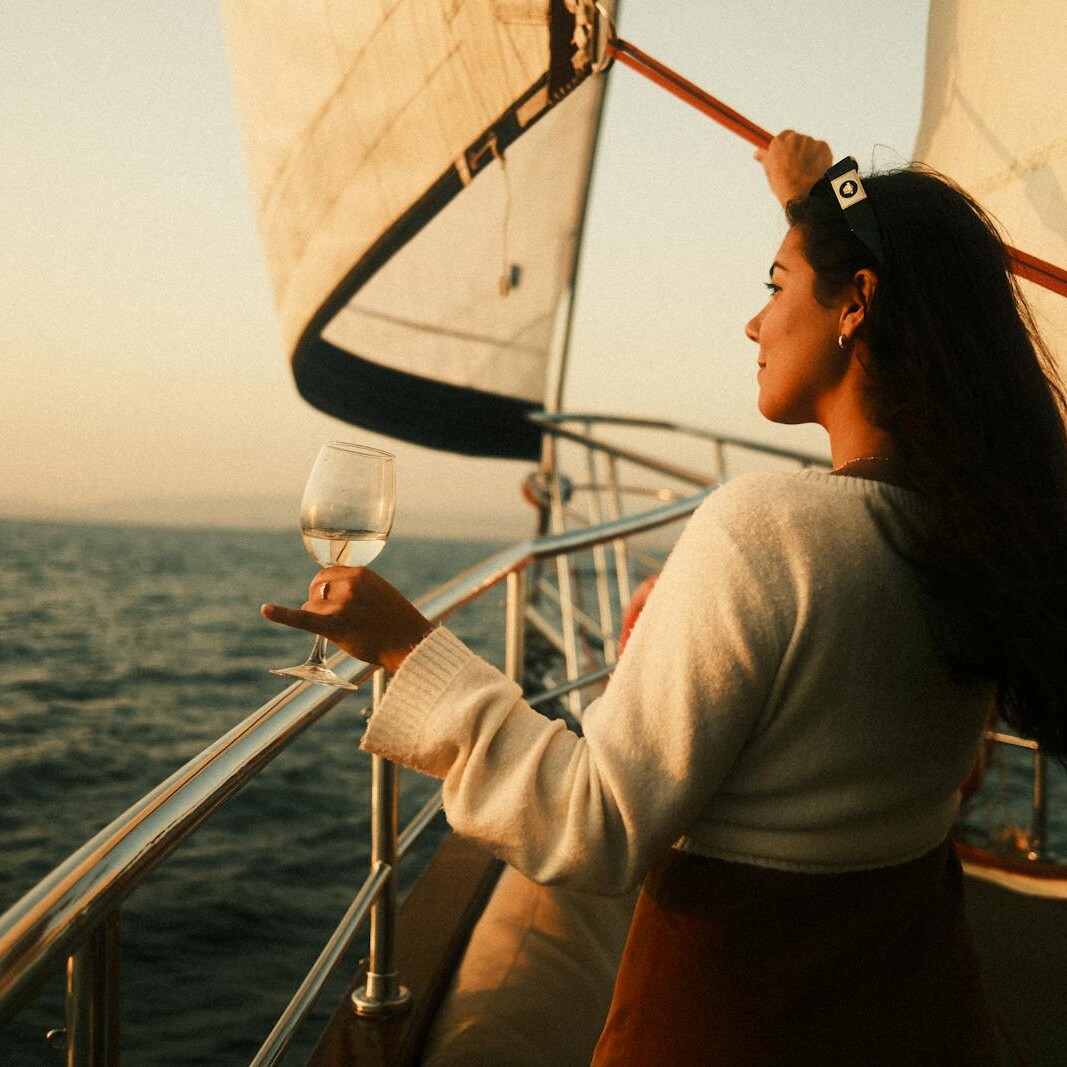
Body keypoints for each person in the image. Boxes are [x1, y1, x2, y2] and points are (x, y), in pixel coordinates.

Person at [262, 132, 1067, 1063]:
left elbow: (591, 824)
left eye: (773, 285)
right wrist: (812, 207)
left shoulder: (766, 530)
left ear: (857, 302)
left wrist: (406, 646)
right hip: (920, 1016)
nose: (754, 324)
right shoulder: (977, 535)